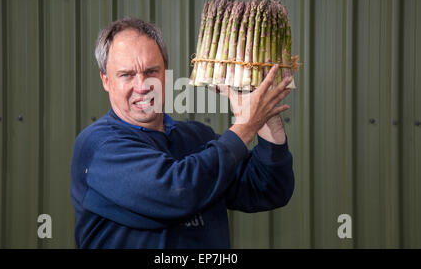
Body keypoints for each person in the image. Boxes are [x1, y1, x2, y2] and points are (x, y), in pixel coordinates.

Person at [70, 17, 295, 249]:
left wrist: (266, 116)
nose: (142, 85)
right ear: (106, 80)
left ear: (165, 73)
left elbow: (269, 189)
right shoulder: (98, 145)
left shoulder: (197, 138)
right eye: (126, 75)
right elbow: (176, 192)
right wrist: (245, 125)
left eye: (151, 71)